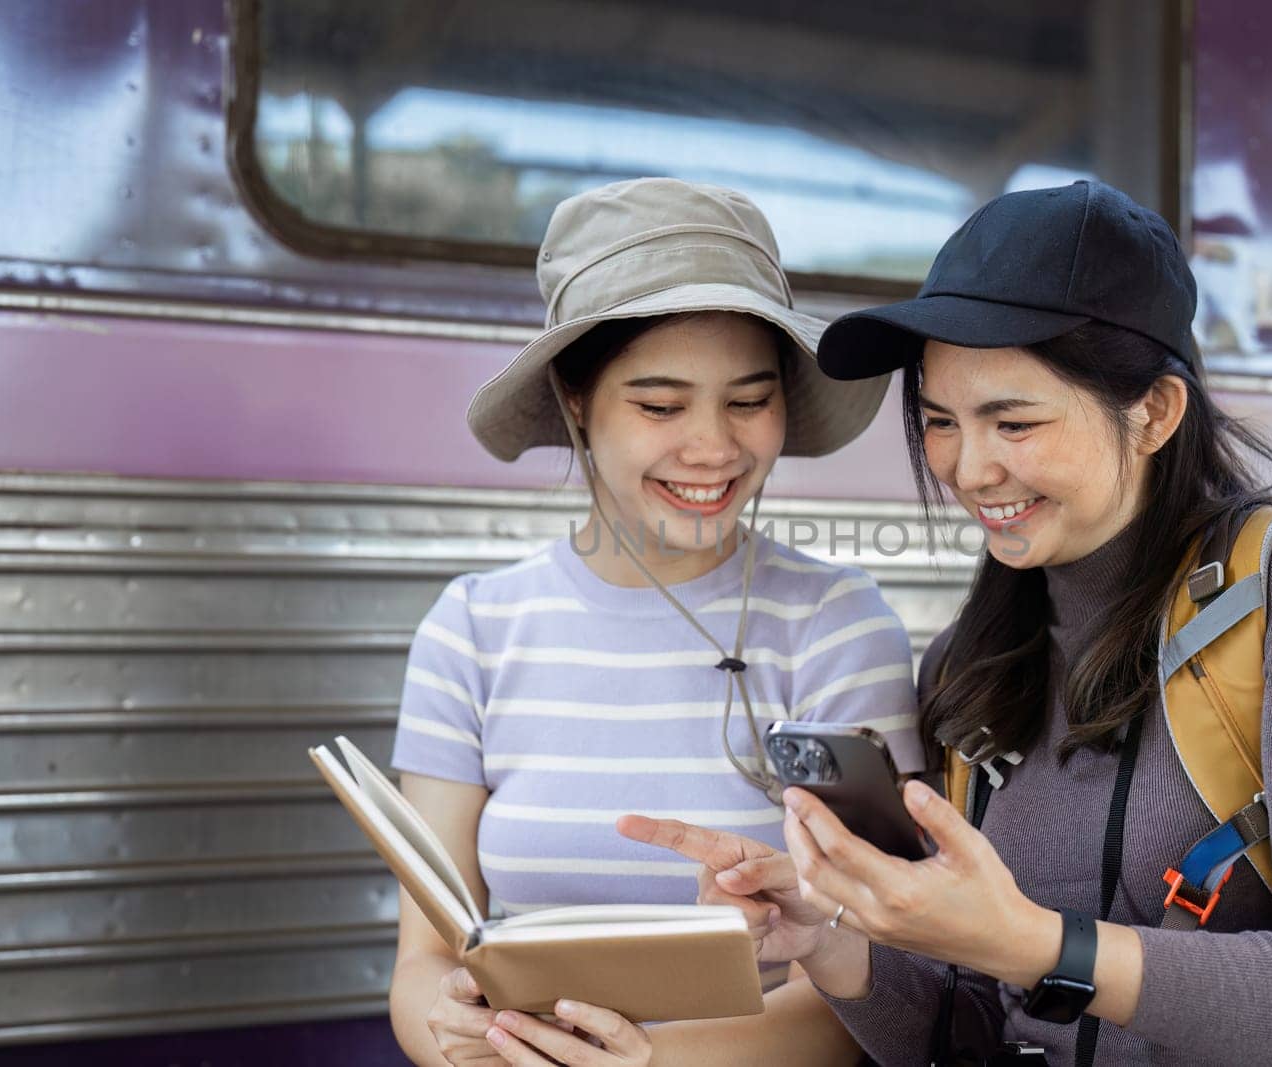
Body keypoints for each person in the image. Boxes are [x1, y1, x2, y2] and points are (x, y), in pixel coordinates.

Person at [627, 181, 1272, 1065]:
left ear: (1155, 412)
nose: (970, 469)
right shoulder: (967, 662)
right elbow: (972, 1025)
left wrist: (1035, 943)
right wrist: (829, 940)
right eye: (939, 421)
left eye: (1013, 421)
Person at [386, 177, 923, 1067]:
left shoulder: (837, 622)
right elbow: (424, 960)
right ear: (575, 399)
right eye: (660, 405)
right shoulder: (473, 629)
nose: (713, 448)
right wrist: (455, 1038)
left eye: (749, 401)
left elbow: (870, 984)